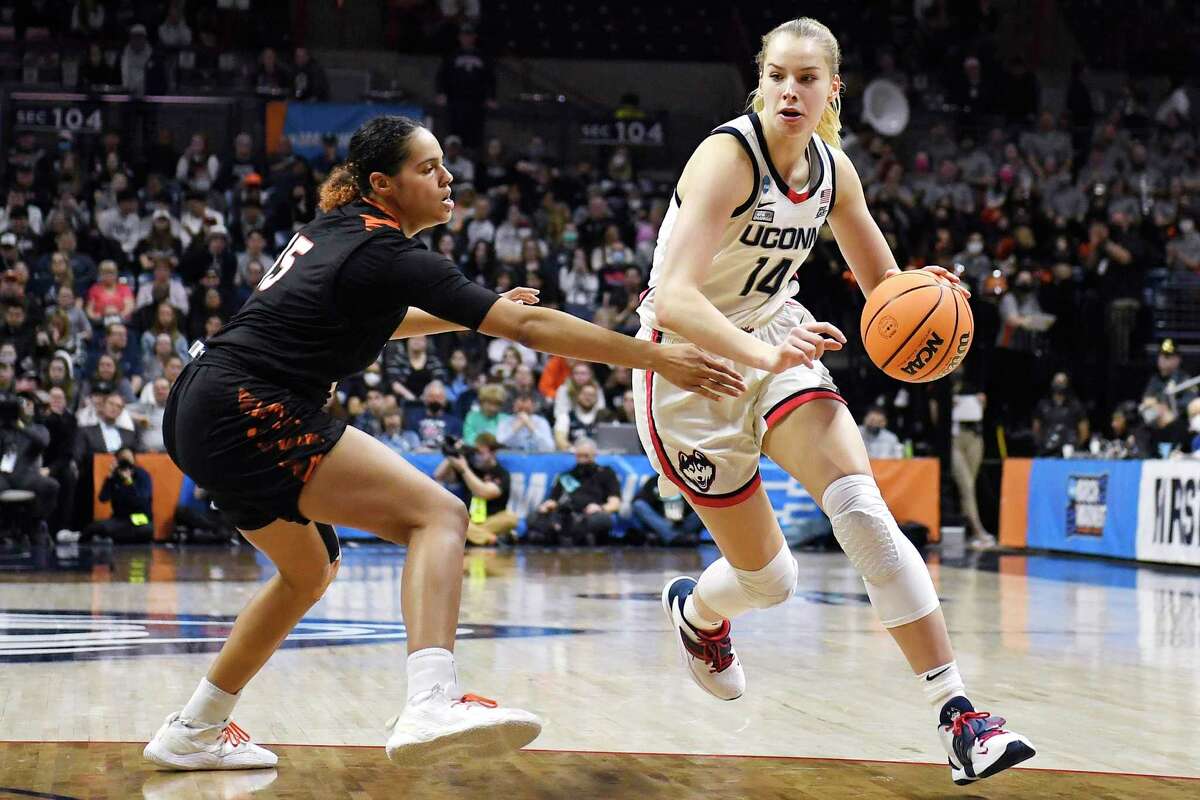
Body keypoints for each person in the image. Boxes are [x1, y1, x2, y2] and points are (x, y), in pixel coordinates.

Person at [144, 114, 743, 771]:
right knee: (439, 514)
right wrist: (657, 359)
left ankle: (196, 728)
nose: (446, 176)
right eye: (427, 168)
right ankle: (431, 700)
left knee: (308, 569)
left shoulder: (341, 233)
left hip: (200, 405)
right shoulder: (385, 250)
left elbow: (381, 315)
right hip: (247, 405)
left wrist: (471, 314)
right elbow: (529, 328)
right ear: (383, 183)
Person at [632, 18, 1033, 785]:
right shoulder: (726, 155)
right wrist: (759, 353)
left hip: (776, 342)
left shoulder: (832, 170)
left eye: (807, 78)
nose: (791, 90)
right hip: (685, 370)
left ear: (831, 89)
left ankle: (959, 716)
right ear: (762, 79)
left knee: (861, 508)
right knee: (770, 582)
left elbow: (885, 288)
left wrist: (929, 294)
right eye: (778, 75)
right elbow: (673, 297)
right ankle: (699, 612)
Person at [525, 438, 621, 546]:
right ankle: (563, 531)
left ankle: (569, 533)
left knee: (602, 519)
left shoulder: (606, 473)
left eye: (586, 456)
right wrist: (547, 506)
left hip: (590, 515)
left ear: (594, 454)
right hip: (566, 515)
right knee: (532, 517)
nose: (582, 460)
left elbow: (615, 503)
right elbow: (553, 500)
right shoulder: (566, 476)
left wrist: (600, 508)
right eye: (579, 456)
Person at [433, 433, 516, 546]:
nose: (477, 456)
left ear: (493, 452)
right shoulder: (470, 467)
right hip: (469, 520)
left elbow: (484, 493)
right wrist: (452, 455)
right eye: (476, 452)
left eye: (481, 453)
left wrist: (464, 469)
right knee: (452, 519)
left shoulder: (501, 474)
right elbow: (439, 475)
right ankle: (492, 539)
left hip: (492, 518)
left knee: (511, 518)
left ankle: (471, 535)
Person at [85, 447, 153, 543]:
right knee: (93, 527)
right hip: (120, 520)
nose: (126, 462)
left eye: (128, 459)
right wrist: (109, 478)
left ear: (133, 459)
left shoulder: (142, 475)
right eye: (122, 459)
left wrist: (129, 481)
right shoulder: (115, 476)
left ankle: (112, 538)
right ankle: (114, 537)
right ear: (117, 460)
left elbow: (141, 501)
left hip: (139, 520)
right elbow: (103, 498)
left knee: (146, 530)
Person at [631, 474, 703, 547]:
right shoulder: (654, 481)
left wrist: (681, 518)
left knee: (704, 508)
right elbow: (639, 500)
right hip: (663, 523)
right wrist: (661, 520)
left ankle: (669, 537)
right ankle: (676, 538)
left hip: (684, 523)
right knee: (639, 505)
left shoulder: (689, 481)